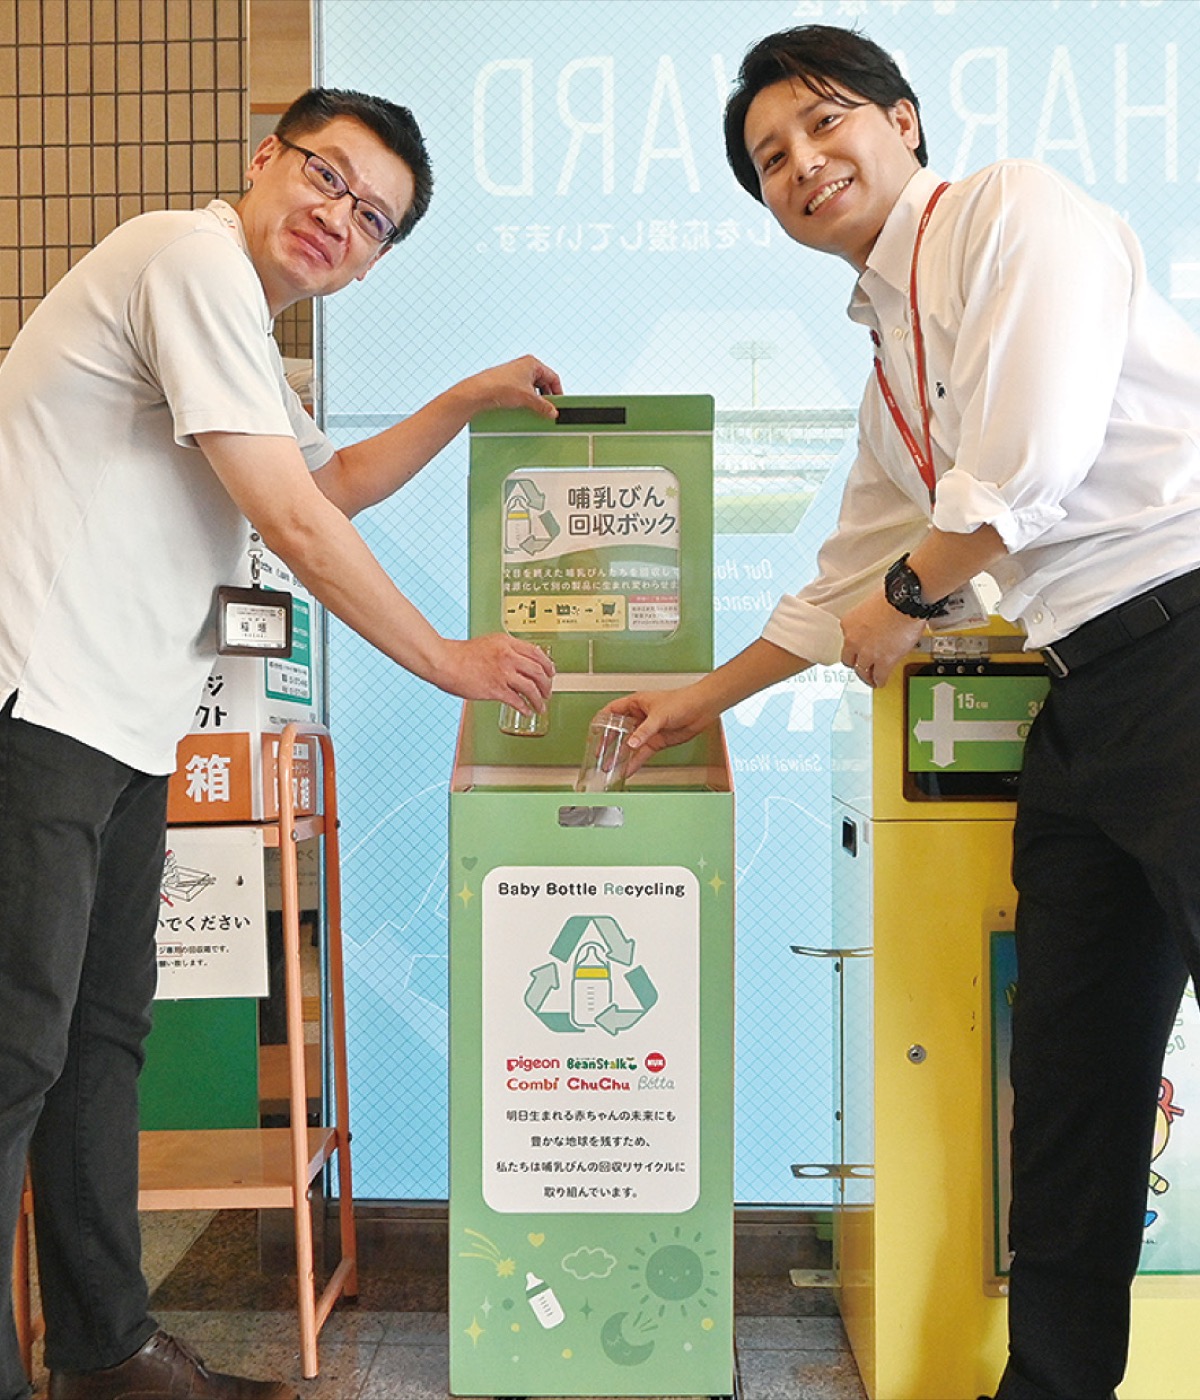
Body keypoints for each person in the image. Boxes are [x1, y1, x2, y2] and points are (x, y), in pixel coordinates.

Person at [608, 24, 1200, 1400]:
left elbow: (1026, 465)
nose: (804, 164)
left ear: (905, 120)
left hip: (1187, 633)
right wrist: (700, 700)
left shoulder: (1012, 213)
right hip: (1083, 694)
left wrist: (909, 595)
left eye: (825, 123)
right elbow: (844, 586)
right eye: (771, 159)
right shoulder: (889, 365)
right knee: (1069, 1080)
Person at [0, 87, 559, 1400]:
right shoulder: (185, 256)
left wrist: (465, 398)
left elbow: (328, 484)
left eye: (373, 220)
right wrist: (448, 661)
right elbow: (299, 531)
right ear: (266, 158)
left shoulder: (237, 326)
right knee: (18, 1049)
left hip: (120, 727)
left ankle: (107, 1353)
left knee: (97, 1044)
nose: (338, 219)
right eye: (327, 177)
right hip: (36, 705)